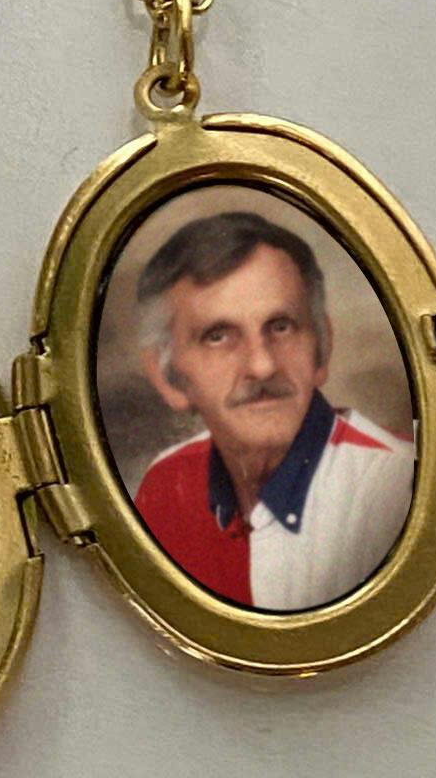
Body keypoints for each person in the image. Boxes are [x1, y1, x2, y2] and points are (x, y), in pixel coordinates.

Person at [131, 209, 414, 611]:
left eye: (281, 326)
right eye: (218, 336)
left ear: (321, 349)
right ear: (167, 378)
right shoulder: (166, 483)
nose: (262, 366)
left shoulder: (392, 485)